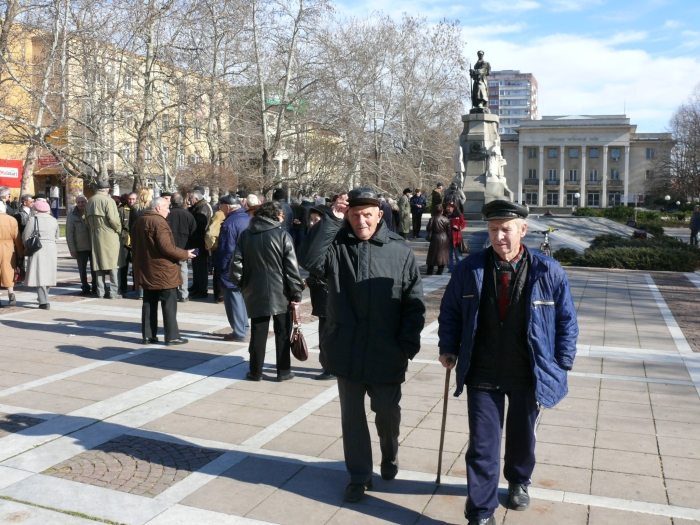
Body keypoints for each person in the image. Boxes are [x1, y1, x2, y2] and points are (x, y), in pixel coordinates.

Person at [438, 200, 578, 525]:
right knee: (483, 446)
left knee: (521, 437)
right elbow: (451, 312)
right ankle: (480, 513)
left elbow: (566, 320)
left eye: (506, 229)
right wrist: (448, 347)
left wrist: (562, 361)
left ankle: (518, 481)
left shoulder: (547, 270)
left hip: (527, 370)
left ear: (522, 229)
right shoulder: (469, 269)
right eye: (493, 230)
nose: (499, 236)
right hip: (482, 370)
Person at [298, 187, 425, 503]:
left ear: (379, 215)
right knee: (352, 419)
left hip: (387, 352)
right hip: (346, 348)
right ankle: (359, 476)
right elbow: (311, 261)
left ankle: (390, 452)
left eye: (367, 214)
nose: (361, 221)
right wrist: (332, 219)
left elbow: (414, 302)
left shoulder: (399, 251)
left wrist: (407, 346)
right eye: (355, 215)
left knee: (387, 414)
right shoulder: (337, 245)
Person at [230, 201, 304, 382]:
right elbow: (291, 269)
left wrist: (241, 283)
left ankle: (255, 371)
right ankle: (283, 371)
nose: (283, 216)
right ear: (274, 215)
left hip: (255, 290)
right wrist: (296, 292)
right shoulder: (282, 235)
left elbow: (236, 264)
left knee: (258, 331)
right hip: (281, 291)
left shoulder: (246, 235)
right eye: (281, 214)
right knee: (283, 332)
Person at [131, 197, 195, 346]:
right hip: (163, 270)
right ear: (158, 208)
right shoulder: (159, 222)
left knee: (148, 303)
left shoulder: (139, 221)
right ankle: (172, 336)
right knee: (169, 303)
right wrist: (185, 254)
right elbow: (166, 247)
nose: (169, 211)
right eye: (167, 207)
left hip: (146, 268)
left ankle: (148, 336)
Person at [215, 195, 251, 341]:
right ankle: (243, 327)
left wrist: (220, 268)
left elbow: (226, 250)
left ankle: (239, 331)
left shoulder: (230, 223)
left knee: (233, 300)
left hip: (231, 267)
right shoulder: (248, 219)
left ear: (227, 206)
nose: (220, 209)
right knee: (241, 299)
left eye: (221, 206)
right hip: (247, 265)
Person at [305, 205, 333, 380]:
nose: (312, 223)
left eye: (317, 220)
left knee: (328, 331)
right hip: (321, 294)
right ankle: (329, 365)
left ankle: (330, 367)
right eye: (311, 219)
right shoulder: (315, 239)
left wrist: (311, 281)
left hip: (328, 294)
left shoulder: (329, 241)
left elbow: (330, 272)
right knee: (325, 329)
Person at [86, 180, 122, 299]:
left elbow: (85, 220)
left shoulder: (90, 200)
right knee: (113, 263)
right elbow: (113, 219)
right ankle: (113, 292)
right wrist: (119, 230)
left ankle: (100, 291)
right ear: (107, 190)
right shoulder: (109, 201)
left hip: (94, 233)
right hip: (108, 233)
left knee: (98, 262)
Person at [22, 200, 58, 309]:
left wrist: (25, 246)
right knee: (48, 274)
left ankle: (43, 301)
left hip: (38, 248)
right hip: (51, 248)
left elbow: (26, 236)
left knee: (39, 274)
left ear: (36, 209)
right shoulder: (54, 220)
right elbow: (56, 236)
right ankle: (44, 296)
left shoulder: (33, 219)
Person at [167, 193, 196, 303]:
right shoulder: (188, 215)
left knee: (170, 270)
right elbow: (193, 232)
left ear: (172, 202)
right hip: (184, 247)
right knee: (183, 270)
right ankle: (183, 294)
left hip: (170, 246)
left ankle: (171, 292)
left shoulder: (168, 214)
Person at [66, 195, 96, 295]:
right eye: (78, 202)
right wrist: (72, 249)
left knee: (95, 268)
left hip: (93, 246)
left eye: (82, 202)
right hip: (80, 247)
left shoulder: (91, 212)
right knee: (82, 269)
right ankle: (85, 287)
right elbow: (69, 234)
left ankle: (96, 286)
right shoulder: (72, 215)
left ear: (86, 202)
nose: (80, 204)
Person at [188, 190, 212, 299]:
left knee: (201, 267)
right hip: (196, 242)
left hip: (201, 242)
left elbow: (199, 225)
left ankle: (202, 290)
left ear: (196, 199)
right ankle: (196, 286)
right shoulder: (198, 207)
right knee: (196, 266)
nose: (189, 200)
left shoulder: (203, 208)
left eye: (190, 198)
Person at [0, 201, 23, 306]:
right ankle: (11, 293)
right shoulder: (12, 220)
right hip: (8, 247)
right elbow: (17, 238)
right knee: (8, 270)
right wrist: (20, 251)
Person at [204, 199, 227, 303]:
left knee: (217, 271)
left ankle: (219, 295)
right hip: (219, 245)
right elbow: (211, 233)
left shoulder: (218, 214)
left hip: (216, 246)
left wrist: (209, 244)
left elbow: (211, 233)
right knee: (219, 270)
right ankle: (220, 295)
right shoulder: (222, 215)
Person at [117, 193, 133, 295]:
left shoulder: (139, 209)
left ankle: (137, 287)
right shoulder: (122, 210)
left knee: (136, 266)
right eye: (130, 199)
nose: (131, 201)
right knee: (123, 266)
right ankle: (123, 287)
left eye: (133, 199)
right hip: (124, 241)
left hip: (135, 241)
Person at [425, 205, 450, 275]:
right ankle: (440, 270)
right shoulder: (446, 219)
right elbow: (449, 231)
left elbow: (428, 229)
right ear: (442, 211)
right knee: (443, 254)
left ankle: (430, 270)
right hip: (444, 237)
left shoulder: (433, 218)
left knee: (432, 254)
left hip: (435, 237)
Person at [445, 200, 466, 272]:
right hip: (447, 238)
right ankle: (450, 268)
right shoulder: (445, 215)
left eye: (450, 207)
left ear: (453, 208)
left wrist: (458, 227)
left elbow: (463, 224)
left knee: (458, 255)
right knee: (449, 255)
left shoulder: (459, 214)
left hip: (456, 238)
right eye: (447, 207)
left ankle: (459, 268)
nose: (448, 208)